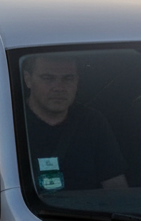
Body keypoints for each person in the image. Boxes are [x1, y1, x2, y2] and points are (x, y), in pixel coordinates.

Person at [19, 55, 127, 192]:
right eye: (48, 78)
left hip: (86, 212)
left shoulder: (93, 122)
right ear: (28, 79)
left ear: (77, 81)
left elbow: (116, 188)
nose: (58, 88)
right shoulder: (9, 122)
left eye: (68, 79)